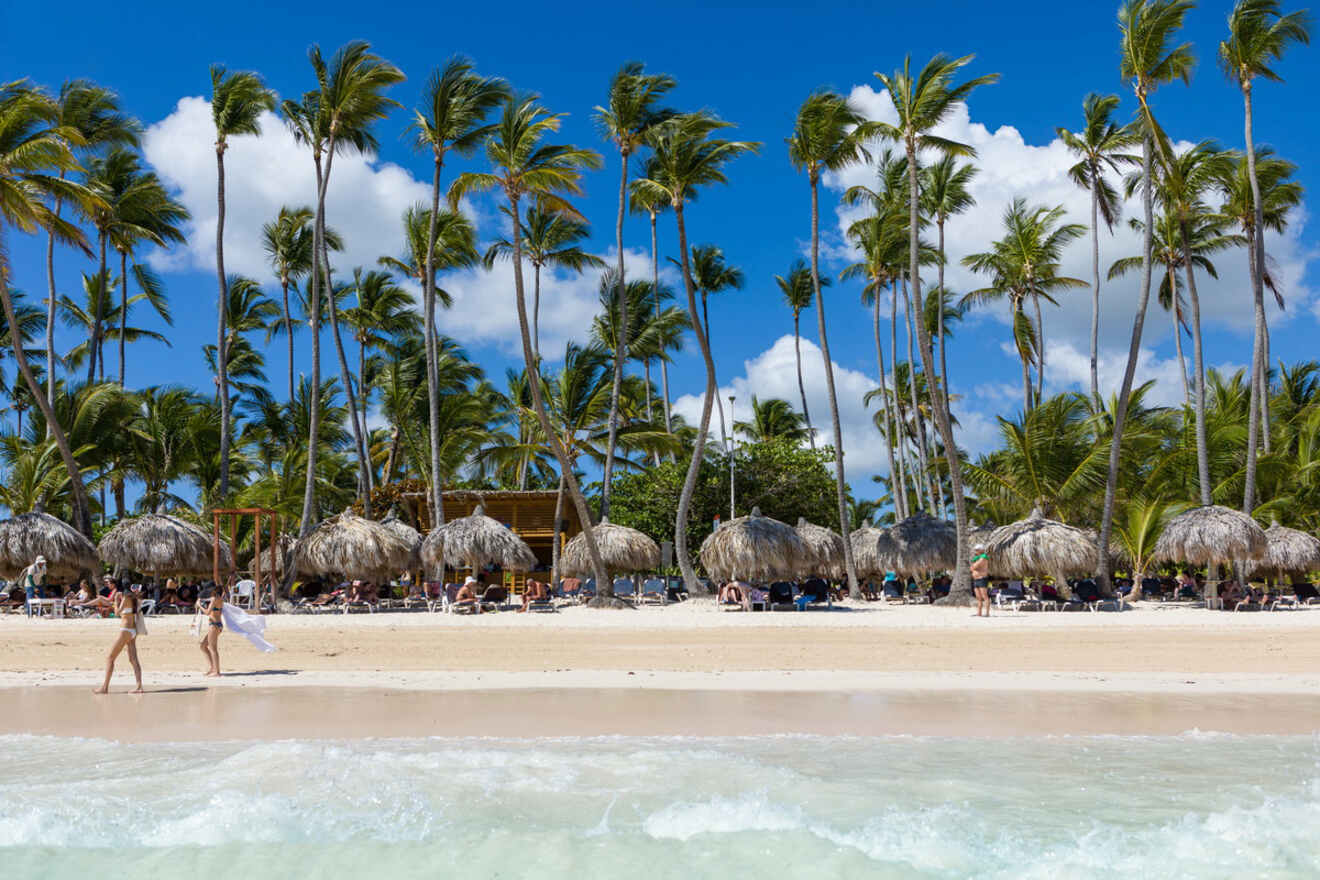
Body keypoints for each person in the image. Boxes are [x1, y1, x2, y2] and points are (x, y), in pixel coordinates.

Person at [93, 586, 144, 694]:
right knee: (133, 659)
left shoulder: (126, 598)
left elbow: (117, 613)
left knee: (110, 658)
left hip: (125, 630)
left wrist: (116, 600)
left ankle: (104, 687)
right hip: (133, 630)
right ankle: (139, 686)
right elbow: (127, 612)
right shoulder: (135, 599)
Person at [199, 584, 225, 677]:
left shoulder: (214, 599)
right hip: (216, 624)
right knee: (203, 646)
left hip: (214, 625)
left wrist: (199, 606)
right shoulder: (217, 598)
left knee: (213, 648)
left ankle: (216, 671)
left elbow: (207, 612)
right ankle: (213, 668)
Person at [970, 544, 991, 617]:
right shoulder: (976, 558)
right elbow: (971, 568)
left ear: (981, 550)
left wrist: (973, 566)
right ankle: (979, 613)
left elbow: (975, 567)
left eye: (977, 550)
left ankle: (987, 613)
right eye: (975, 550)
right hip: (976, 580)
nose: (975, 551)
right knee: (978, 597)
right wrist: (973, 567)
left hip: (982, 578)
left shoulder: (983, 558)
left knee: (984, 596)